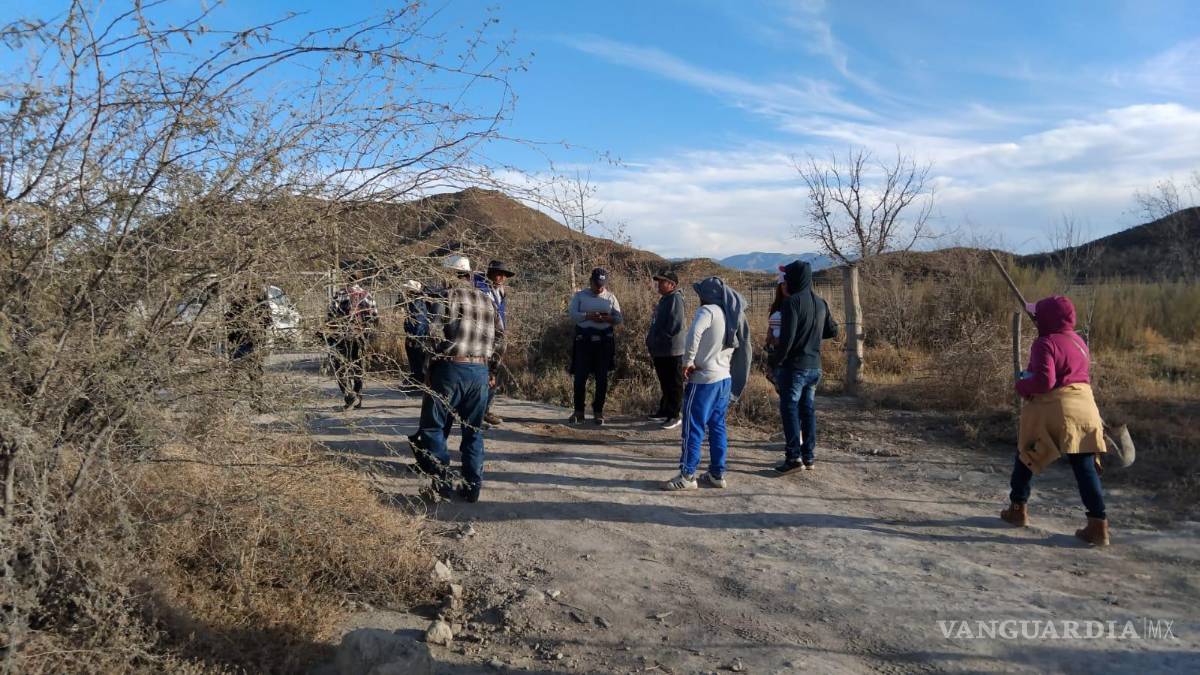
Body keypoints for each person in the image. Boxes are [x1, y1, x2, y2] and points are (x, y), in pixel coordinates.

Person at [1000, 296, 1110, 546]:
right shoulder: (1079, 341)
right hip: (1086, 406)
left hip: (1056, 408)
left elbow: (1044, 382)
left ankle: (1017, 510)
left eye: (1038, 315)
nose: (1036, 319)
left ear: (1046, 319)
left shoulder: (1044, 342)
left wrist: (1021, 384)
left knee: (1028, 454)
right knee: (1085, 467)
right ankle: (1098, 526)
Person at [408, 254, 504, 503]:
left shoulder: (444, 296)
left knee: (433, 427)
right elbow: (501, 339)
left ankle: (442, 481)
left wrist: (428, 369)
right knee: (473, 431)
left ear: (448, 275)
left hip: (450, 369)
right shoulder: (487, 300)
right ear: (469, 275)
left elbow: (432, 334)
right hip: (480, 372)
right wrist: (492, 370)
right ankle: (472, 487)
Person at [663, 277, 752, 491]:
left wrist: (688, 361)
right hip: (724, 379)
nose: (699, 297)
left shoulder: (708, 311)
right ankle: (716, 473)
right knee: (717, 427)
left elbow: (693, 334)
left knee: (693, 427)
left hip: (704, 380)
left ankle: (687, 475)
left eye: (700, 293)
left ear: (707, 295)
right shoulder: (731, 314)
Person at [767, 260, 838, 473]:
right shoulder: (820, 302)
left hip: (794, 367)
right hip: (814, 366)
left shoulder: (792, 303)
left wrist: (774, 360)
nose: (785, 280)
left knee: (790, 410)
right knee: (808, 411)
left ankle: (793, 458)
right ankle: (808, 456)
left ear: (796, 278)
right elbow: (832, 331)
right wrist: (811, 335)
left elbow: (786, 340)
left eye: (788, 277)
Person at [567, 267, 623, 425]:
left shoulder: (611, 297)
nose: (599, 287)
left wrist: (607, 319)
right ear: (590, 281)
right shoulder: (580, 296)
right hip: (583, 341)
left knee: (602, 379)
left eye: (602, 284)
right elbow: (573, 315)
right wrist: (588, 316)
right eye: (597, 283)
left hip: (604, 342)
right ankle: (579, 411)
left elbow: (618, 319)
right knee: (580, 378)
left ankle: (598, 412)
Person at [325, 269, 379, 410]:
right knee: (358, 366)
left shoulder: (340, 294)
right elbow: (375, 317)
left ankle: (349, 395)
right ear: (360, 280)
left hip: (342, 337)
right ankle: (358, 395)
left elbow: (330, 316)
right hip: (360, 337)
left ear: (347, 279)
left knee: (340, 367)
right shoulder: (367, 295)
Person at [474, 260, 515, 426]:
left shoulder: (500, 292)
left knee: (493, 373)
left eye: (503, 274)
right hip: (485, 337)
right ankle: (478, 412)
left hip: (498, 337)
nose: (501, 277)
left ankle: (485, 410)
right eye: (498, 273)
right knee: (484, 373)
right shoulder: (482, 289)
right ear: (489, 274)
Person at [645, 269, 686, 430]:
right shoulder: (665, 299)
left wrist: (657, 338)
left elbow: (674, 325)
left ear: (672, 284)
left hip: (672, 349)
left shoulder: (675, 299)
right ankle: (665, 410)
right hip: (660, 349)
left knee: (674, 383)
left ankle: (675, 415)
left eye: (662, 282)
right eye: (658, 281)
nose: (659, 284)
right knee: (664, 381)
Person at [225, 281, 272, 408]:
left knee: (252, 374)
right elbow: (230, 319)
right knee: (239, 374)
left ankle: (255, 401)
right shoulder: (240, 301)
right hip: (241, 341)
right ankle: (234, 403)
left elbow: (267, 320)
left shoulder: (260, 302)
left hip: (251, 342)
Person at [400, 279, 430, 386]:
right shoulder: (415, 301)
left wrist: (414, 338)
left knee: (417, 359)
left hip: (417, 337)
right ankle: (416, 377)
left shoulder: (417, 303)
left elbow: (419, 321)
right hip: (415, 335)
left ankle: (418, 379)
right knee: (415, 359)